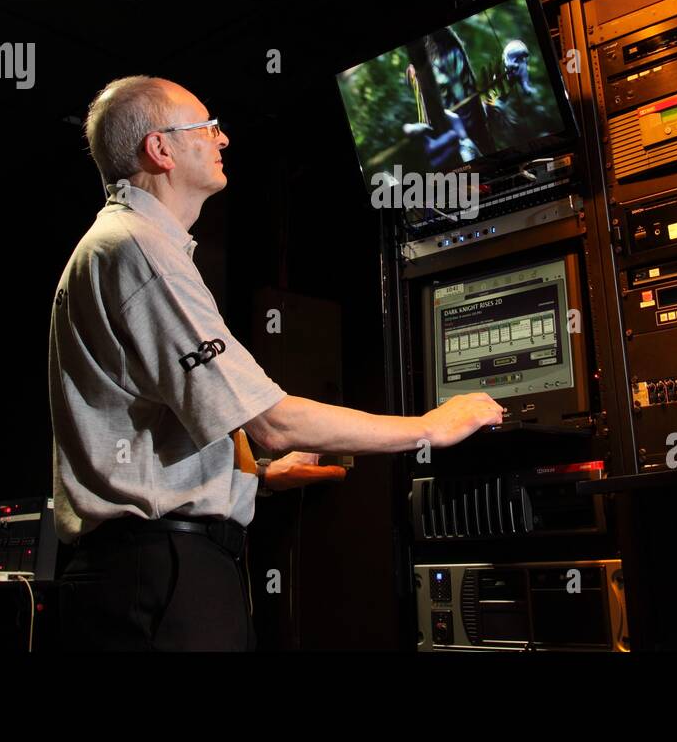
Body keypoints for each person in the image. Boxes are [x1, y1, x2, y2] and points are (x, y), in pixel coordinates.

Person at [48, 75, 503, 651]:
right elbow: (272, 423)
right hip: (161, 571)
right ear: (160, 150)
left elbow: (147, 423)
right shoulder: (139, 249)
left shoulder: (118, 245)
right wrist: (431, 427)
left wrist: (258, 476)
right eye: (207, 126)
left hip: (141, 571)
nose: (224, 138)